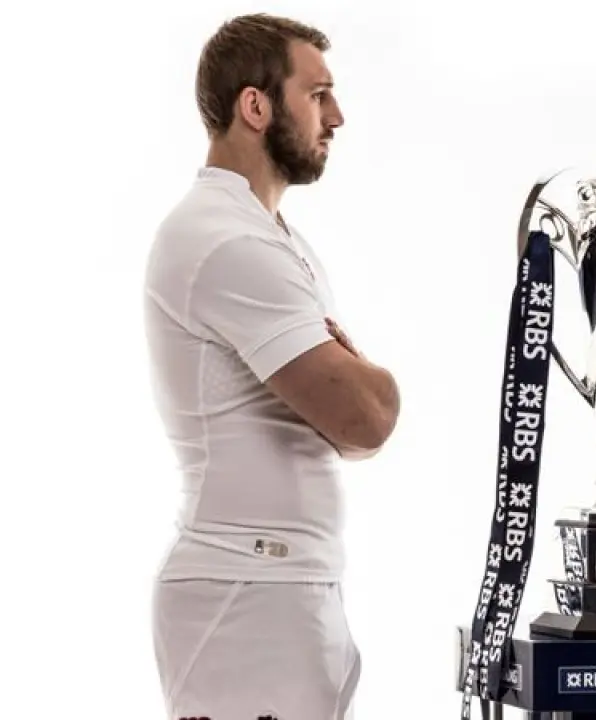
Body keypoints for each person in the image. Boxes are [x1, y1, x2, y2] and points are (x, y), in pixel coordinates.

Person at [142, 13, 400, 719]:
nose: (336, 116)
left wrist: (354, 387)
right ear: (254, 106)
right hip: (245, 595)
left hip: (283, 584)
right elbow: (365, 417)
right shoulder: (225, 240)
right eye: (317, 94)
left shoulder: (275, 239)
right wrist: (372, 379)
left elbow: (350, 437)